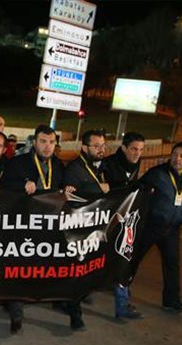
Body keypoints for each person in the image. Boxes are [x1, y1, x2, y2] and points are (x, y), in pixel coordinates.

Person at [0, 125, 72, 334]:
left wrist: (68, 190)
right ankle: (16, 314)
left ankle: (49, 299)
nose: (47, 146)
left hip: (47, 226)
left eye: (51, 142)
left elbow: (64, 188)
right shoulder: (18, 163)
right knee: (20, 269)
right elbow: (5, 186)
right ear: (34, 142)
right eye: (43, 141)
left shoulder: (58, 165)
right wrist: (22, 183)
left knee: (42, 267)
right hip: (21, 226)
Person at [61, 129, 110, 328]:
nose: (101, 149)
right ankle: (75, 313)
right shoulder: (75, 168)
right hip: (76, 230)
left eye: (103, 145)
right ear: (84, 147)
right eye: (96, 146)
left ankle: (65, 301)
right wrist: (100, 189)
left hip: (93, 227)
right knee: (77, 271)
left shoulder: (100, 166)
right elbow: (72, 196)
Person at [136, 142, 182, 313]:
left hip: (172, 229)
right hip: (151, 226)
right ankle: (119, 286)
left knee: (172, 265)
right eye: (175, 154)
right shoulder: (158, 173)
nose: (177, 159)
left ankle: (171, 301)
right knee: (134, 258)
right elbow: (138, 189)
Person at [102, 132, 146, 319]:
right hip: (105, 222)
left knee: (123, 257)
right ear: (123, 148)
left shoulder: (136, 164)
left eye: (141, 150)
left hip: (125, 222)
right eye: (134, 149)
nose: (137, 153)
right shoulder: (108, 164)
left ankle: (122, 304)